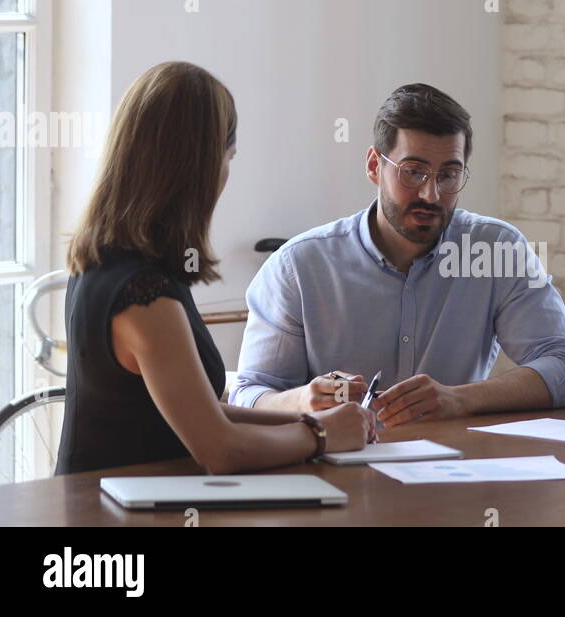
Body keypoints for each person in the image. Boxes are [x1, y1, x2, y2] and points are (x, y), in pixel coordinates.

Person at [59, 62, 373, 476]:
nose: (226, 173)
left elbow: (208, 415)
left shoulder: (109, 263)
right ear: (199, 167)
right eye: (229, 156)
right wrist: (320, 436)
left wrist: (314, 422)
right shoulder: (145, 295)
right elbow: (221, 449)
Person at [230, 84, 565, 427]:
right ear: (374, 166)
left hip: (456, 474)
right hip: (338, 471)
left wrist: (460, 399)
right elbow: (248, 395)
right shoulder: (299, 266)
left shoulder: (496, 250)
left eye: (449, 175)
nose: (431, 195)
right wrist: (301, 402)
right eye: (413, 172)